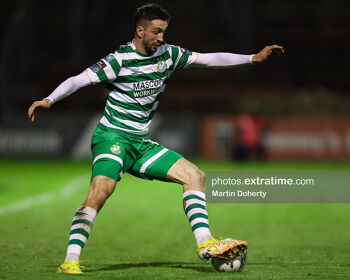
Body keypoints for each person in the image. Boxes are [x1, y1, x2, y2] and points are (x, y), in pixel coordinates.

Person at [28, 3, 284, 274]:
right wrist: (49, 99)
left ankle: (204, 243)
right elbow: (78, 80)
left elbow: (207, 58)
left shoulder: (168, 54)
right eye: (156, 31)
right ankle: (70, 260)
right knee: (101, 192)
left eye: (164, 32)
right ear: (140, 31)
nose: (161, 37)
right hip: (112, 136)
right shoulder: (119, 60)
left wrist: (252, 58)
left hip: (140, 143)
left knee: (194, 175)